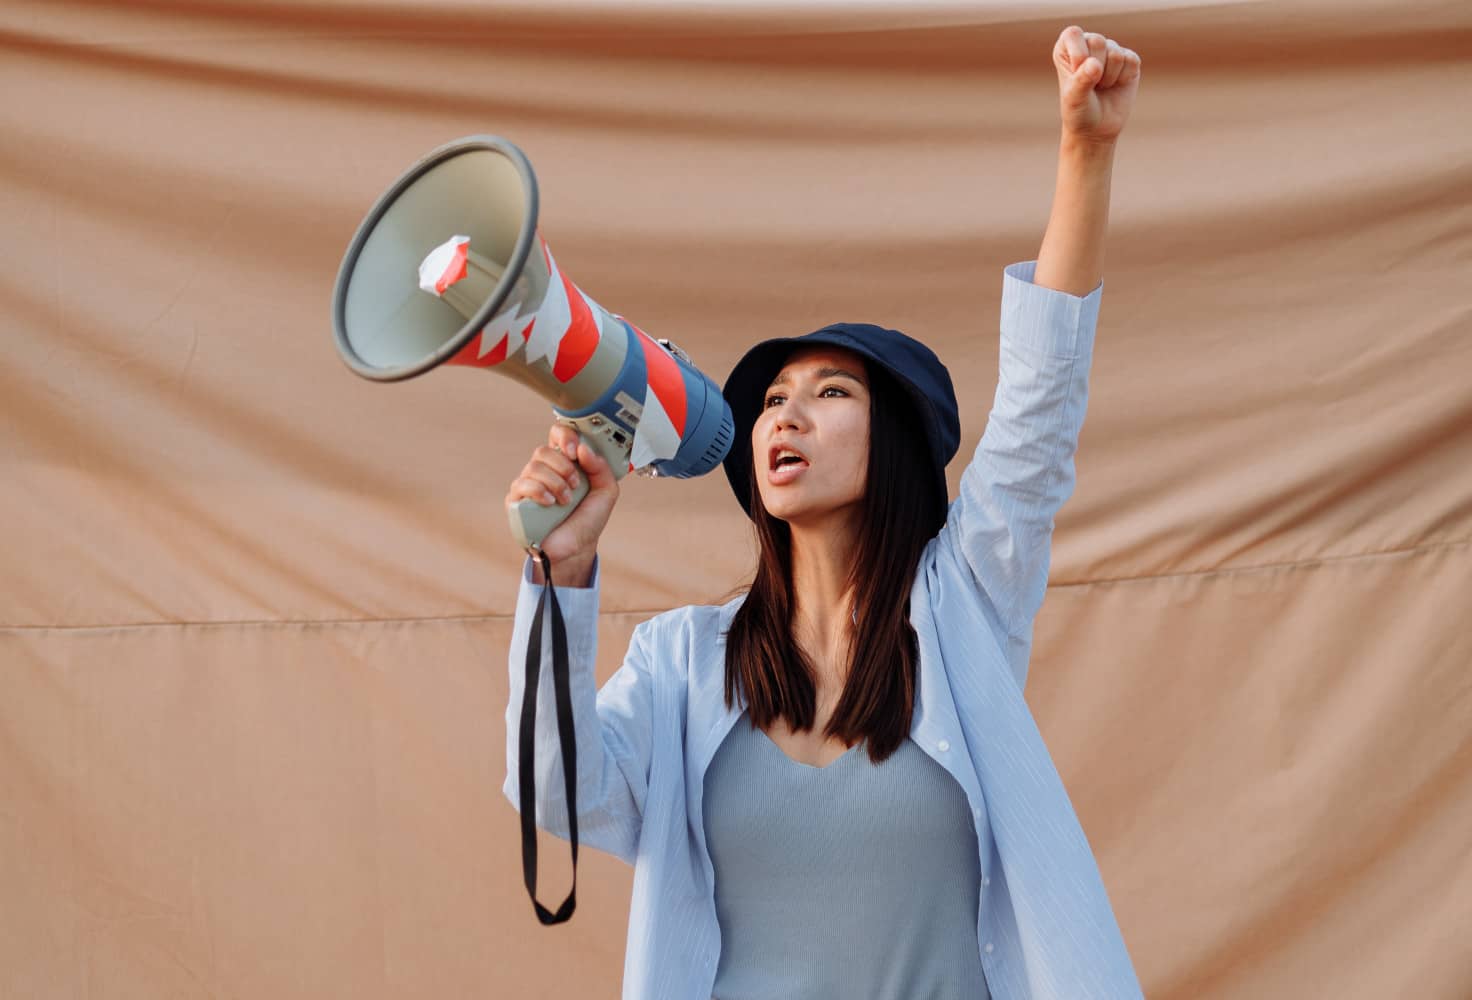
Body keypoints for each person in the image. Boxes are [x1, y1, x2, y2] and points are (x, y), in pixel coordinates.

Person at [502, 25, 1145, 1000]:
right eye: (769, 400)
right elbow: (554, 792)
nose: (785, 413)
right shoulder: (680, 663)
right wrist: (560, 574)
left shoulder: (962, 611)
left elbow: (1038, 403)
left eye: (829, 392)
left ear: (894, 443)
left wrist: (1083, 151)